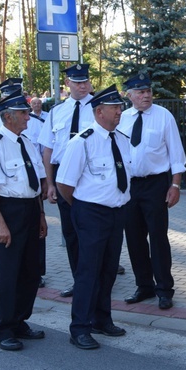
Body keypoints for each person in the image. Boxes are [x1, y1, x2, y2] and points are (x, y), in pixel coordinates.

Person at [56, 85, 130, 350]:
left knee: (108, 270)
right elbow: (64, 184)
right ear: (99, 112)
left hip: (117, 212)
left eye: (120, 107)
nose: (120, 111)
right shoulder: (82, 141)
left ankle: (102, 319)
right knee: (88, 271)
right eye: (115, 108)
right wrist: (82, 208)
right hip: (91, 213)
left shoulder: (121, 139)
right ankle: (80, 327)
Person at [0, 90, 47, 351]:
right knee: (8, 273)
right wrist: (0, 224)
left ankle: (20, 321)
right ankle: (3, 329)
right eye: (23, 113)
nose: (28, 116)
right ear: (8, 117)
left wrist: (40, 215)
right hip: (8, 211)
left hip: (30, 209)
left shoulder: (26, 141)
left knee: (31, 271)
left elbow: (36, 184)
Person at [118, 73, 186, 310]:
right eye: (140, 92)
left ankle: (164, 289)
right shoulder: (122, 118)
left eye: (148, 91)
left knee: (158, 238)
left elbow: (176, 153)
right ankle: (143, 286)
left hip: (156, 184)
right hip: (129, 187)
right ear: (129, 96)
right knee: (134, 239)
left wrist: (175, 185)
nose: (146, 95)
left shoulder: (163, 116)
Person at [39, 64, 95, 298]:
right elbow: (48, 150)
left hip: (91, 174)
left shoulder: (99, 107)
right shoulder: (56, 112)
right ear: (67, 85)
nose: (82, 86)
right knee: (71, 232)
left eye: (85, 81)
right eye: (77, 82)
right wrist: (50, 183)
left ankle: (97, 278)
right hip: (63, 176)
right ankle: (78, 280)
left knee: (93, 231)